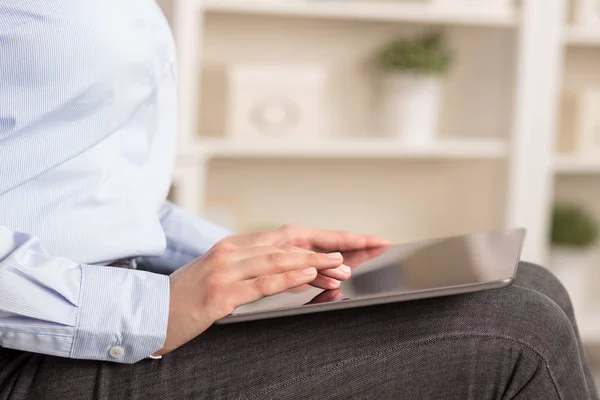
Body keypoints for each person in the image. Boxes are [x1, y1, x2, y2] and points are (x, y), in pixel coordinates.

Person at [0, 1, 597, 399]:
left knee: (530, 283)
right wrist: (149, 310)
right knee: (517, 331)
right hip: (34, 350)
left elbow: (84, 184)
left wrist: (262, 261)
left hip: (114, 292)